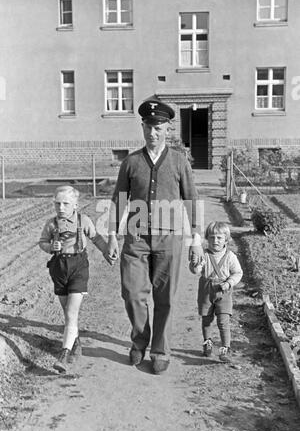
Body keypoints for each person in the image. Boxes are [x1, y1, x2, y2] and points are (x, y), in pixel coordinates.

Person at [105, 96, 202, 374]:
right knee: (132, 293)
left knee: (165, 298)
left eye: (158, 127)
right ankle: (139, 341)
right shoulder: (131, 162)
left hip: (169, 239)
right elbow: (118, 200)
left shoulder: (180, 162)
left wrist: (196, 239)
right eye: (148, 126)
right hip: (136, 239)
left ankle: (160, 350)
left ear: (168, 128)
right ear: (142, 126)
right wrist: (112, 233)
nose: (153, 132)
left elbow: (191, 201)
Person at [39, 185, 105, 373]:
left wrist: (109, 252)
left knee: (70, 313)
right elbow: (42, 242)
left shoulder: (83, 221)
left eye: (65, 204)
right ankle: (75, 341)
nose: (61, 207)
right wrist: (51, 246)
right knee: (67, 313)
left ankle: (64, 354)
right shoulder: (51, 224)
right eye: (57, 203)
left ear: (75, 204)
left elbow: (96, 238)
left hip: (78, 267)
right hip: (59, 268)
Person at [189, 221, 243, 363]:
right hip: (206, 290)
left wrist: (229, 283)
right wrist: (195, 263)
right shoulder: (204, 254)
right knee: (206, 319)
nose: (215, 241)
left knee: (223, 321)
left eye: (219, 238)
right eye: (212, 237)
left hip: (223, 291)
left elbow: (238, 273)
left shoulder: (230, 257)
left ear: (226, 239)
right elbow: (195, 271)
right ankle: (207, 342)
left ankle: (225, 348)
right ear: (207, 238)